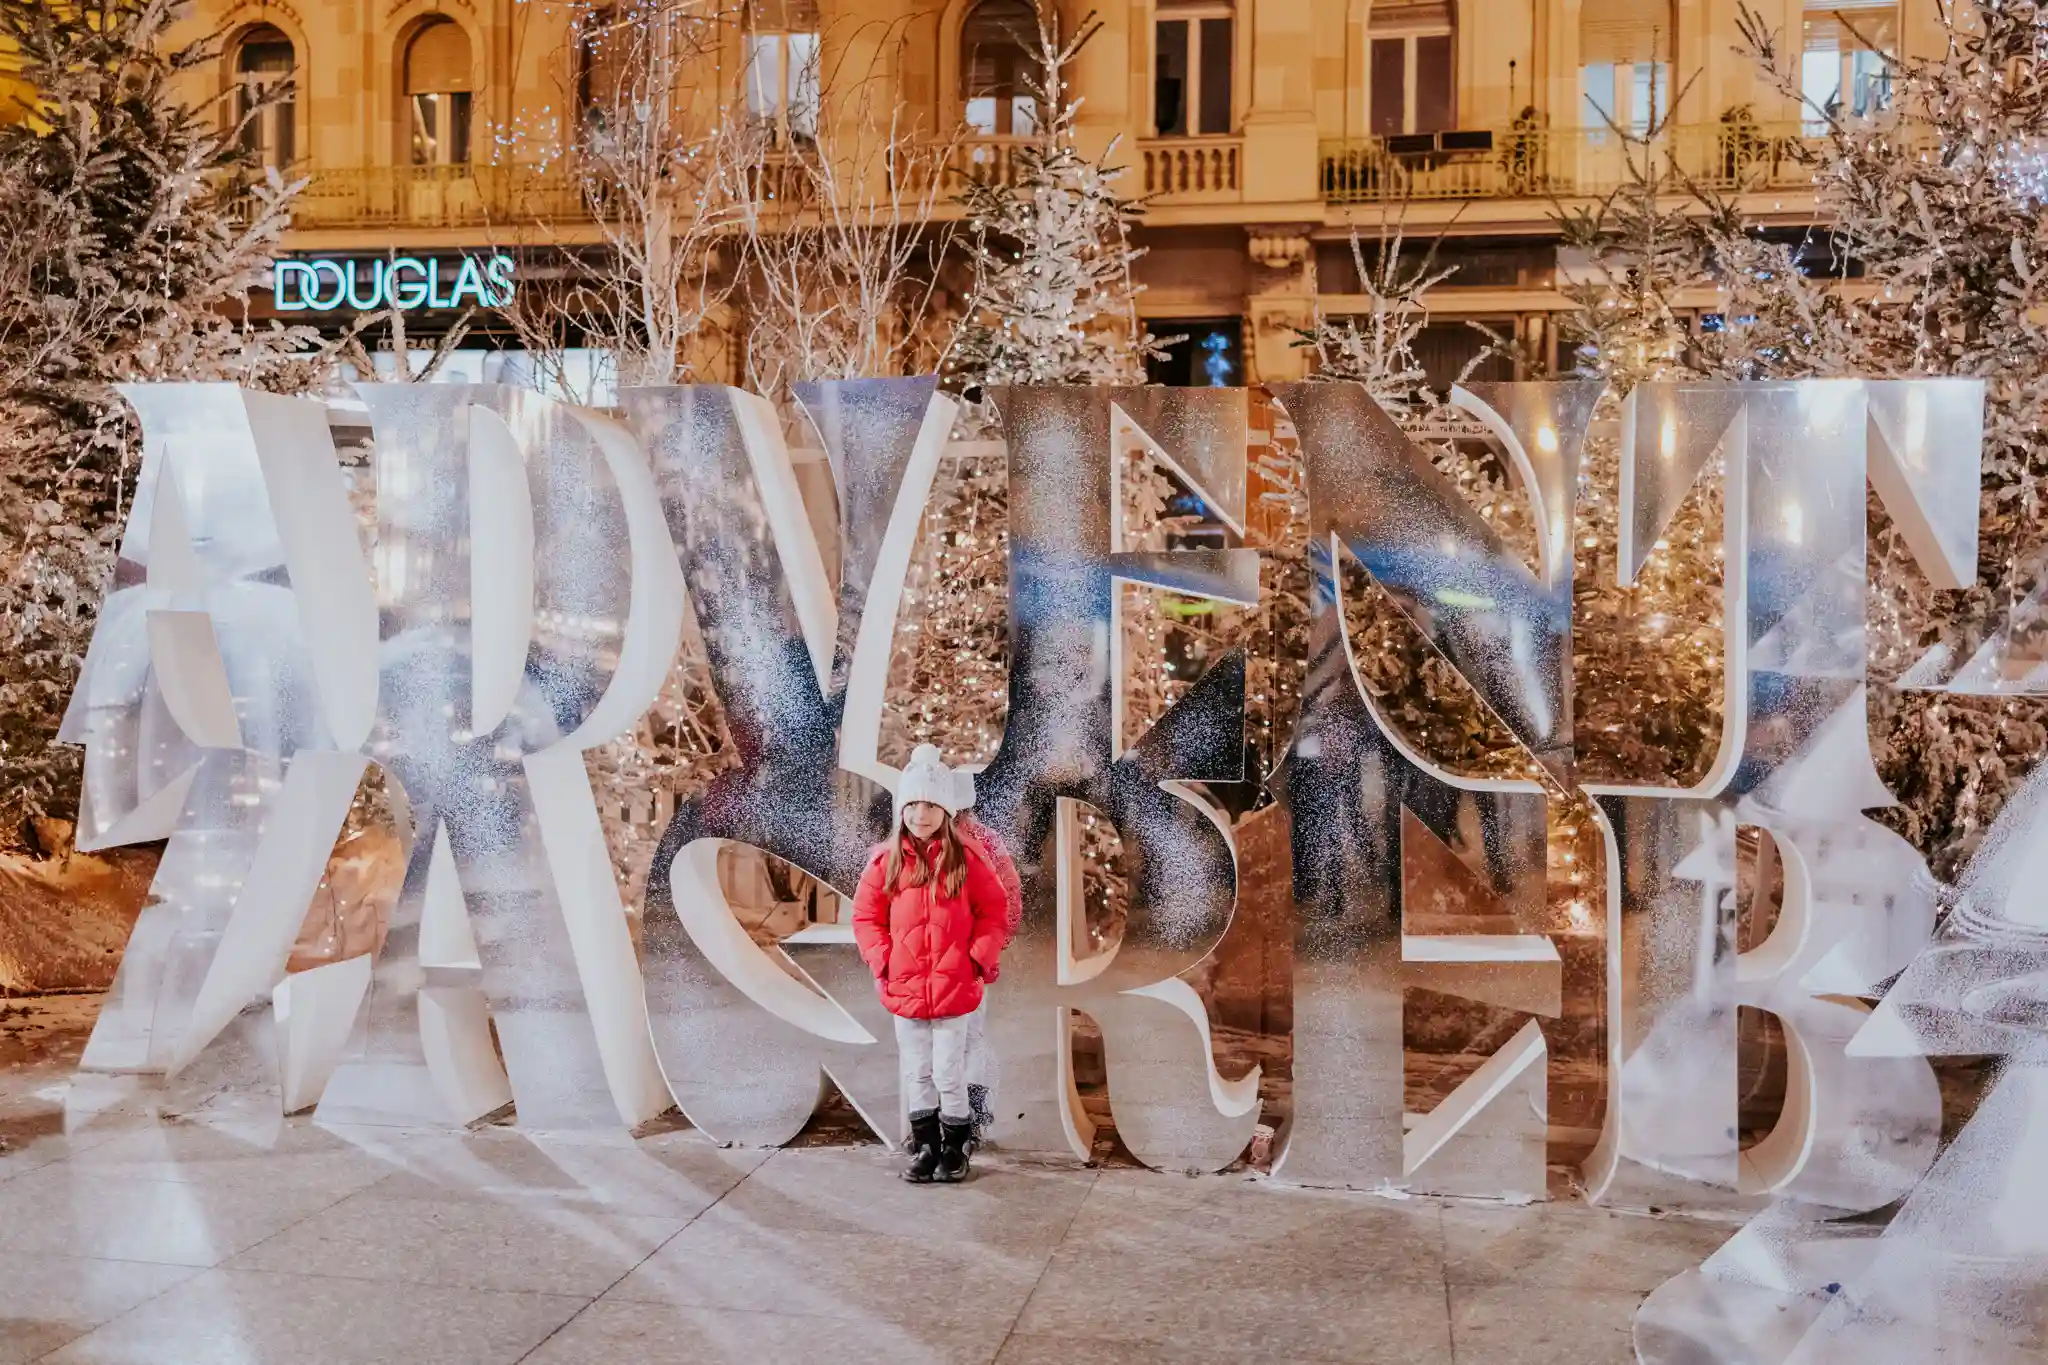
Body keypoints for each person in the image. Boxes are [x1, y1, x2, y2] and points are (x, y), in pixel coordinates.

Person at [852, 745, 1010, 1183]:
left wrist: (976, 959)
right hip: (904, 985)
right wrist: (883, 961)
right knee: (917, 1071)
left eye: (931, 805)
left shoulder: (968, 859)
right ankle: (926, 1146)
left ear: (946, 811)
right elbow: (866, 917)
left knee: (948, 1072)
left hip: (954, 986)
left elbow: (994, 911)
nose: (920, 815)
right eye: (913, 805)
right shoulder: (885, 861)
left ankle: (955, 1147)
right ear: (902, 808)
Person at [954, 784, 1021, 1148]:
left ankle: (969, 1113)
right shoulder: (985, 840)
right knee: (965, 1037)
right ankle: (965, 1114)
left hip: (967, 961)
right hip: (947, 959)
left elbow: (1008, 899)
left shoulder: (981, 843)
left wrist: (985, 950)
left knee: (965, 1036)